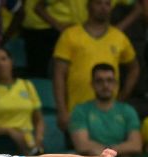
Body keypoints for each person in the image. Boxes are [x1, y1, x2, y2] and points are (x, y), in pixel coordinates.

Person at [53, 0, 139, 133]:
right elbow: (58, 75)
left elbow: (134, 68)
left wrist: (123, 96)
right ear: (88, 6)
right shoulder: (70, 35)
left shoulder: (119, 37)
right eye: (98, 3)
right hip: (76, 112)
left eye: (107, 4)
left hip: (109, 113)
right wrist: (62, 111)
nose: (103, 8)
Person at [68, 63, 142, 157]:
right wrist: (120, 151)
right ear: (92, 84)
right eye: (99, 81)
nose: (105, 85)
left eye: (109, 80)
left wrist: (100, 149)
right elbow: (82, 145)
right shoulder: (81, 111)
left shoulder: (127, 111)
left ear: (116, 83)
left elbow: (136, 145)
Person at [0, 45, 44, 156]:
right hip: (2, 142)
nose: (0, 64)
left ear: (11, 61)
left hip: (30, 142)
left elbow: (39, 119)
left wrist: (39, 138)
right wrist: (9, 131)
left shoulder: (27, 85)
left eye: (3, 59)